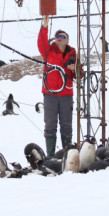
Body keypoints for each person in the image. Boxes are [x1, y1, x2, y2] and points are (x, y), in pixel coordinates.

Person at [38, 15, 78, 157]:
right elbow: (41, 41)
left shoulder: (73, 54)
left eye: (62, 36)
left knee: (66, 126)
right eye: (57, 36)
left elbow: (79, 75)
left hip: (66, 95)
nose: (59, 37)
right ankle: (51, 156)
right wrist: (44, 27)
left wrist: (75, 69)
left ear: (67, 40)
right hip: (50, 94)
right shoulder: (48, 51)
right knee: (50, 125)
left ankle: (67, 155)